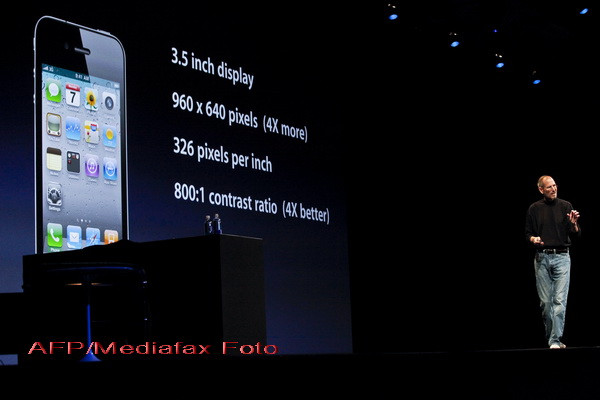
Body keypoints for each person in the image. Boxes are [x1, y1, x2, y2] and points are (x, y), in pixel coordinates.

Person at [525, 175, 580, 349]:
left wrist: (574, 224)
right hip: (542, 258)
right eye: (549, 187)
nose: (554, 189)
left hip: (562, 258)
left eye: (555, 185)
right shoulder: (534, 208)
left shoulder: (566, 206)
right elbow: (528, 234)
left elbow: (575, 233)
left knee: (559, 300)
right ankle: (553, 339)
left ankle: (555, 340)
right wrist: (533, 239)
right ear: (541, 189)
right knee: (546, 303)